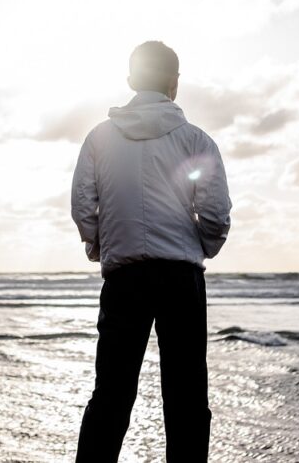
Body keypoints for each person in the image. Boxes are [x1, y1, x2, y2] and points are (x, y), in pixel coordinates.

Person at [71, 40, 232, 462]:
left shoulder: (99, 138)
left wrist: (103, 246)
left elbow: (83, 206)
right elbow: (215, 213)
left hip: (124, 277)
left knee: (111, 394)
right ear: (174, 83)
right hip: (180, 278)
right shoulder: (196, 140)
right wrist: (201, 245)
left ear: (130, 81)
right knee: (187, 398)